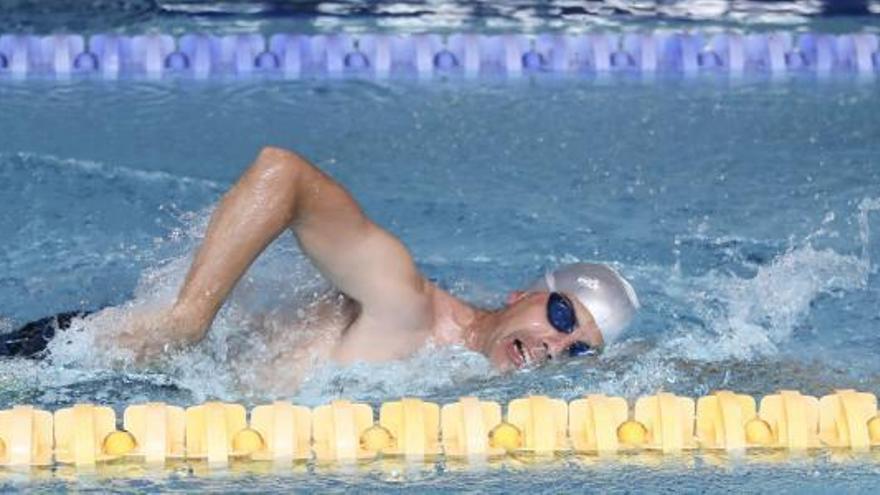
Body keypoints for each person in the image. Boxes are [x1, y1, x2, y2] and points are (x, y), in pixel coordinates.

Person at [3, 147, 639, 378]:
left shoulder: (459, 372)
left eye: (579, 348)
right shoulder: (406, 305)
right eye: (562, 314)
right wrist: (184, 322)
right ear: (521, 295)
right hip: (90, 355)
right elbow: (284, 174)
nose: (556, 345)